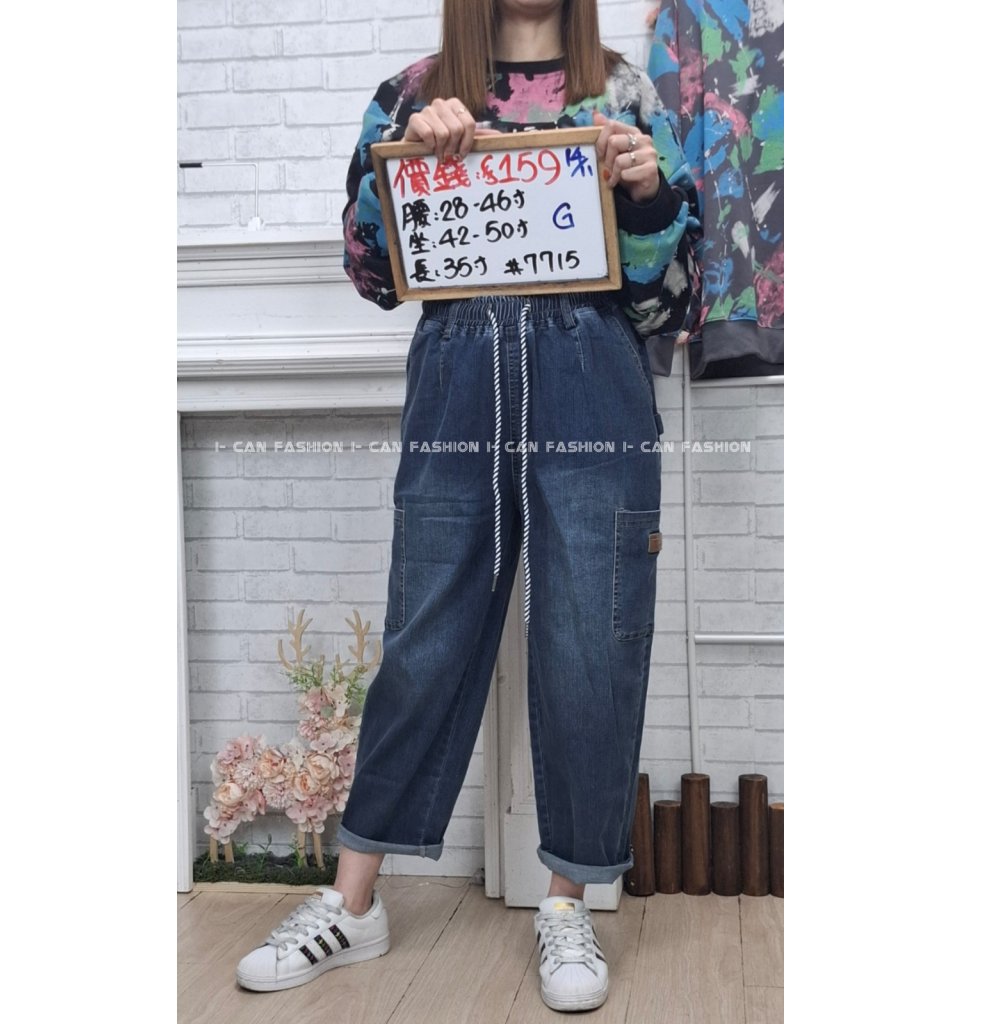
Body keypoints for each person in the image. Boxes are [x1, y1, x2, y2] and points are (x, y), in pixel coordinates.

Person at [236, 0, 698, 1013]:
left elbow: (670, 303)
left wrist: (648, 190)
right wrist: (403, 158)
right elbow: (372, 274)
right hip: (457, 383)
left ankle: (566, 901)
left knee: (590, 640)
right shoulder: (408, 93)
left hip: (595, 386)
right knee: (424, 637)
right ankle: (353, 901)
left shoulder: (625, 95)